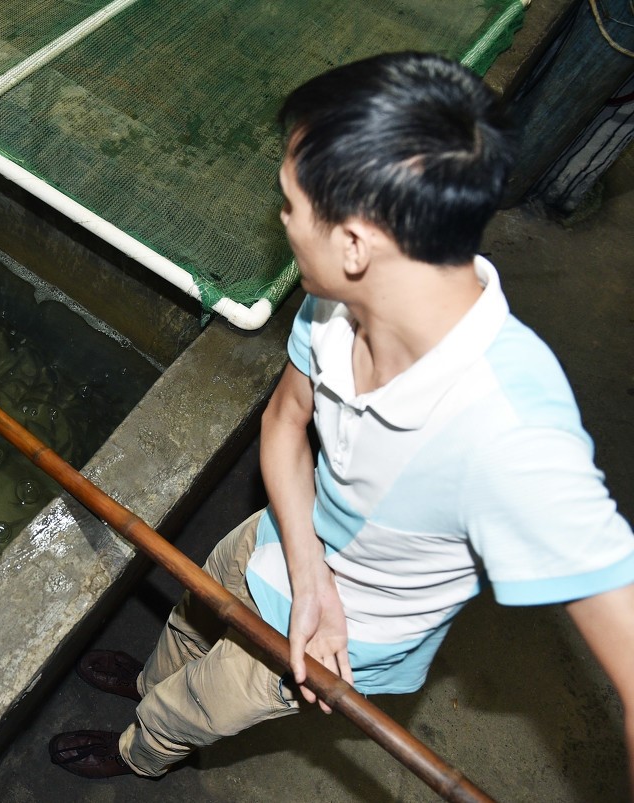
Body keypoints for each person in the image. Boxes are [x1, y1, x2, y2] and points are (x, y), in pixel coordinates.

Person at [47, 51, 634, 787]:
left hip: (340, 634)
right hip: (279, 537)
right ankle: (146, 687)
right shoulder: (341, 300)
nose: (283, 221)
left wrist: (320, 595)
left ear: (355, 241)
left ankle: (143, 749)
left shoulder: (508, 429)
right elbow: (284, 422)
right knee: (191, 618)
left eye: (290, 205)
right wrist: (306, 559)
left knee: (198, 707)